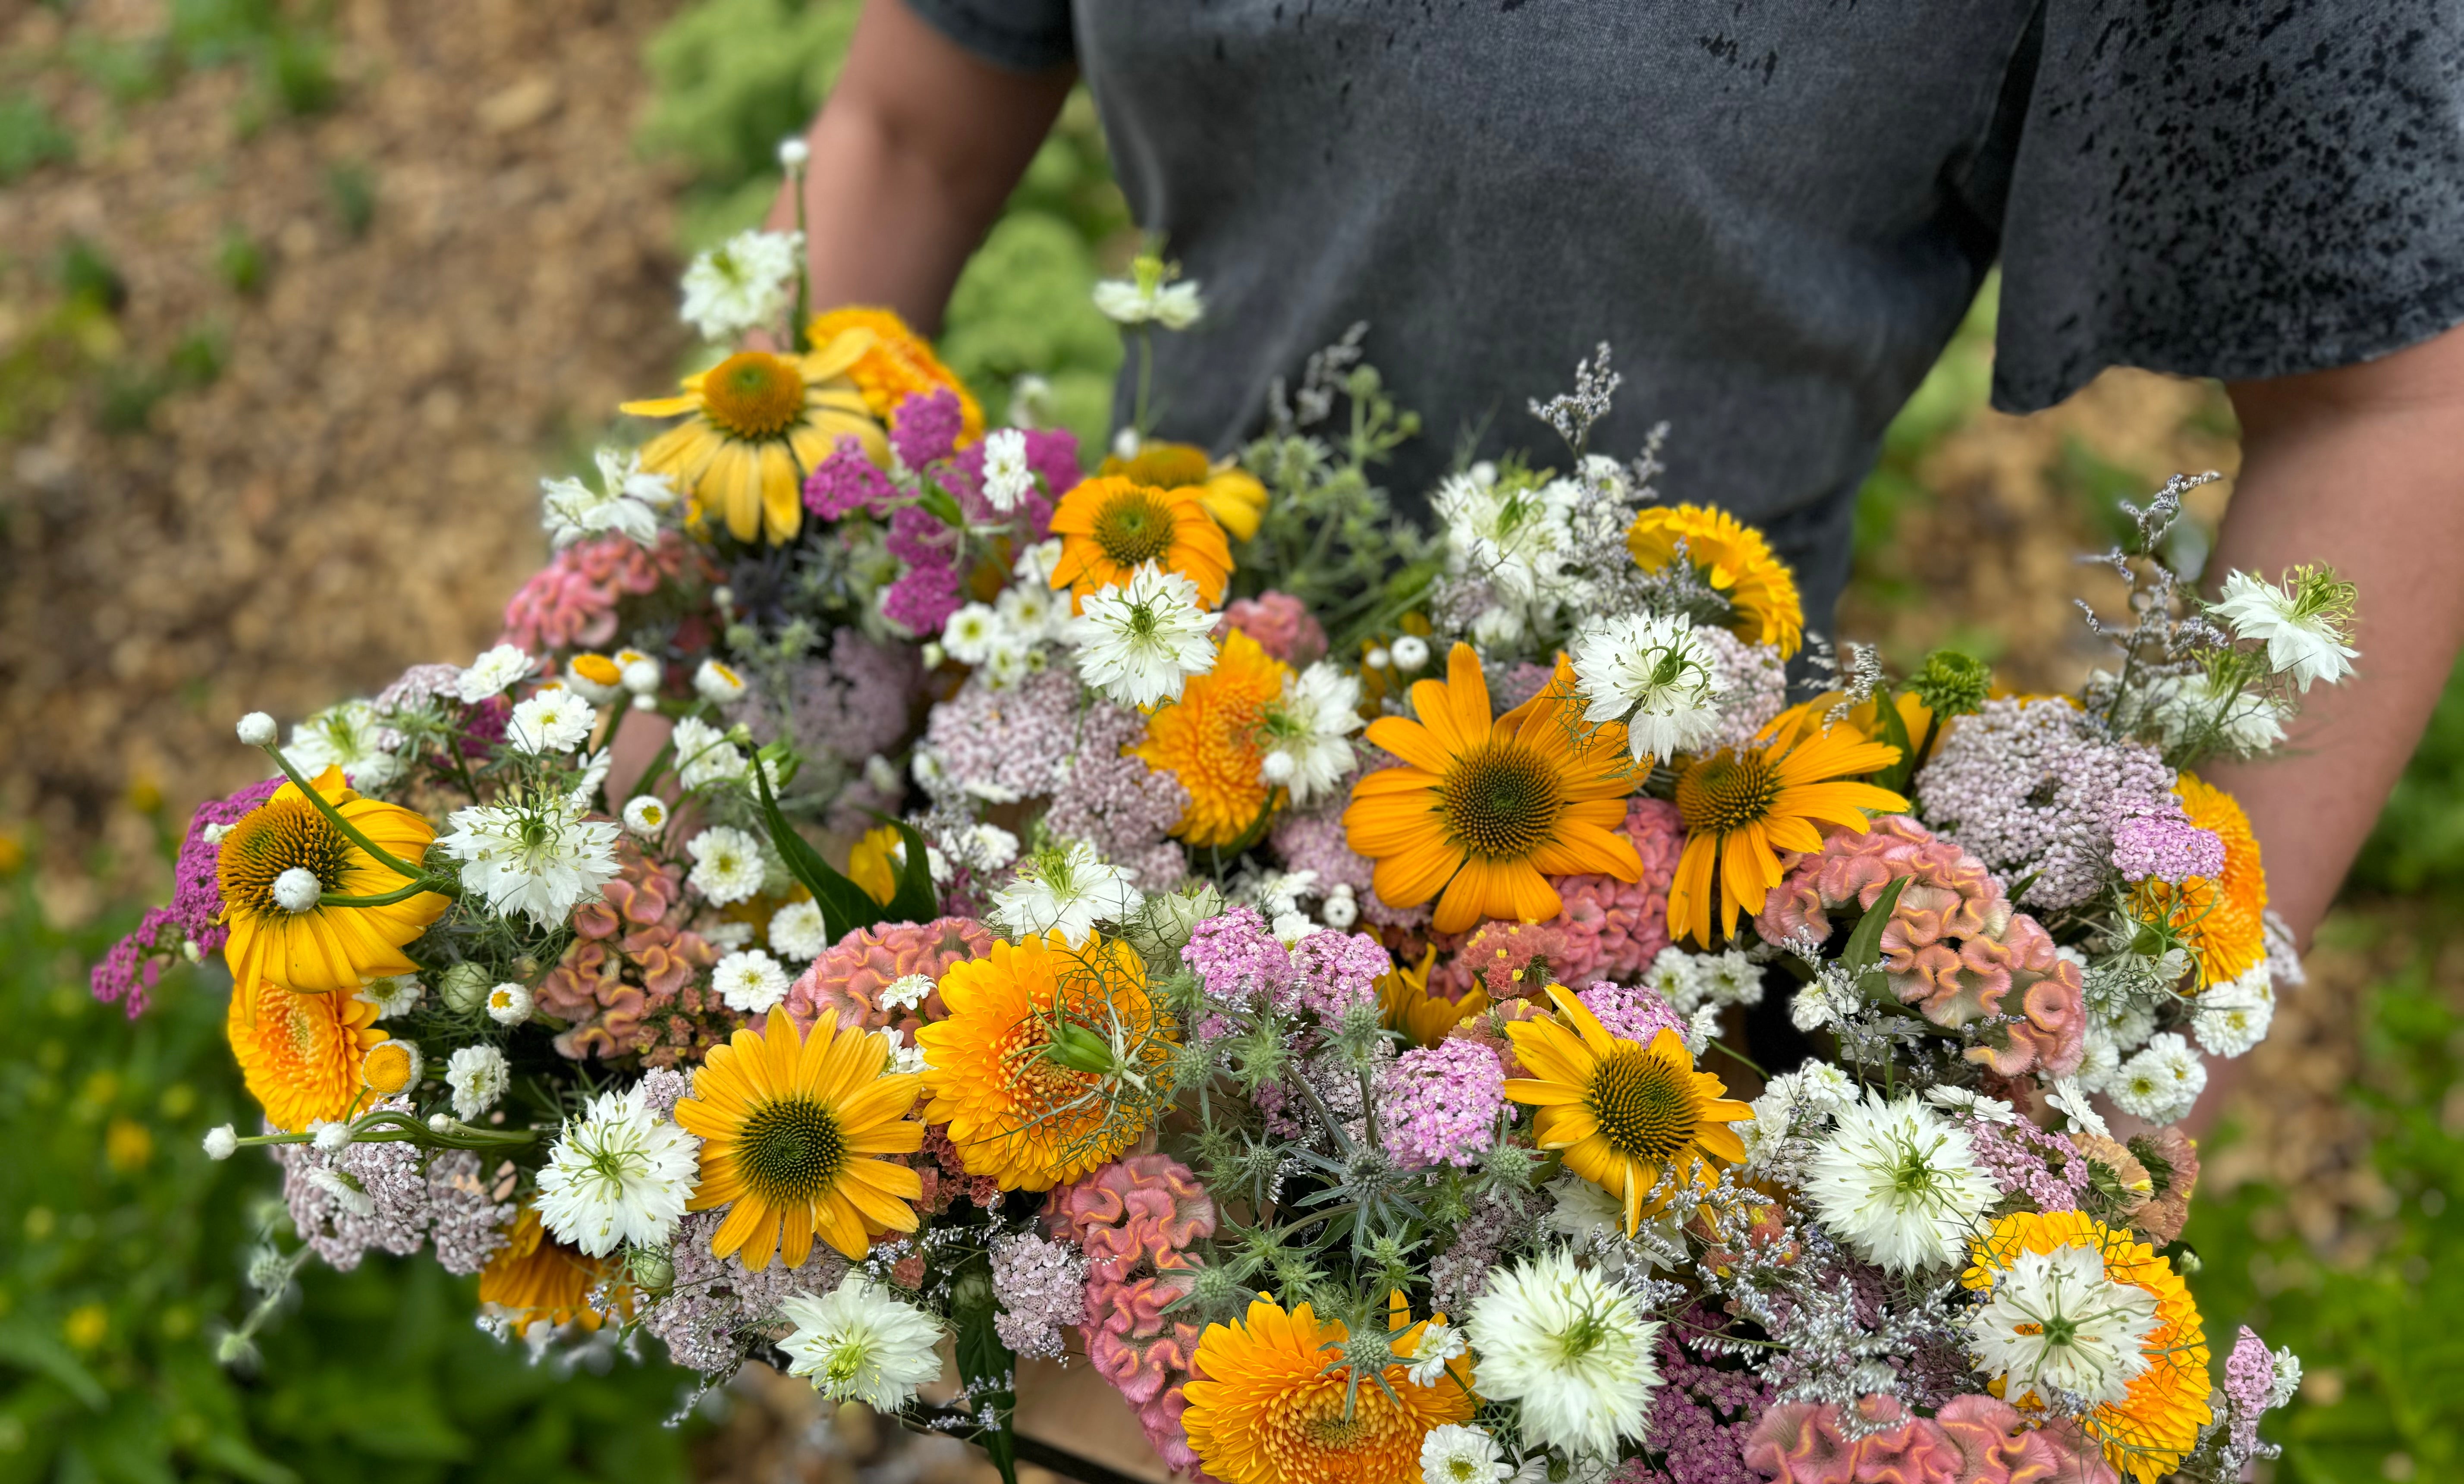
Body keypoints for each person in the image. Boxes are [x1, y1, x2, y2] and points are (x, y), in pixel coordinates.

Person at [765, 0, 2464, 1131]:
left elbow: (2393, 396)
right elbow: (911, 129)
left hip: (1647, 924)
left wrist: (2099, 1084)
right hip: (1114, 738)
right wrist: (756, 640)